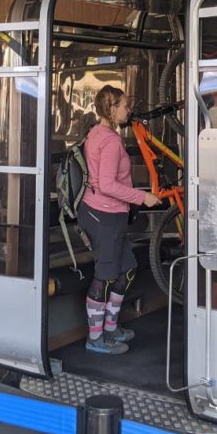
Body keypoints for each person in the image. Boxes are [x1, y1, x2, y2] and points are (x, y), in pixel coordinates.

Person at [79, 85, 160, 355]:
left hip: (105, 213)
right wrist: (142, 197)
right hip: (105, 215)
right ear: (112, 109)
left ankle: (111, 328)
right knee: (105, 276)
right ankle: (95, 338)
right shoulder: (111, 141)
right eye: (124, 105)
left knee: (127, 269)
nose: (128, 109)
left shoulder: (97, 132)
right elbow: (107, 184)